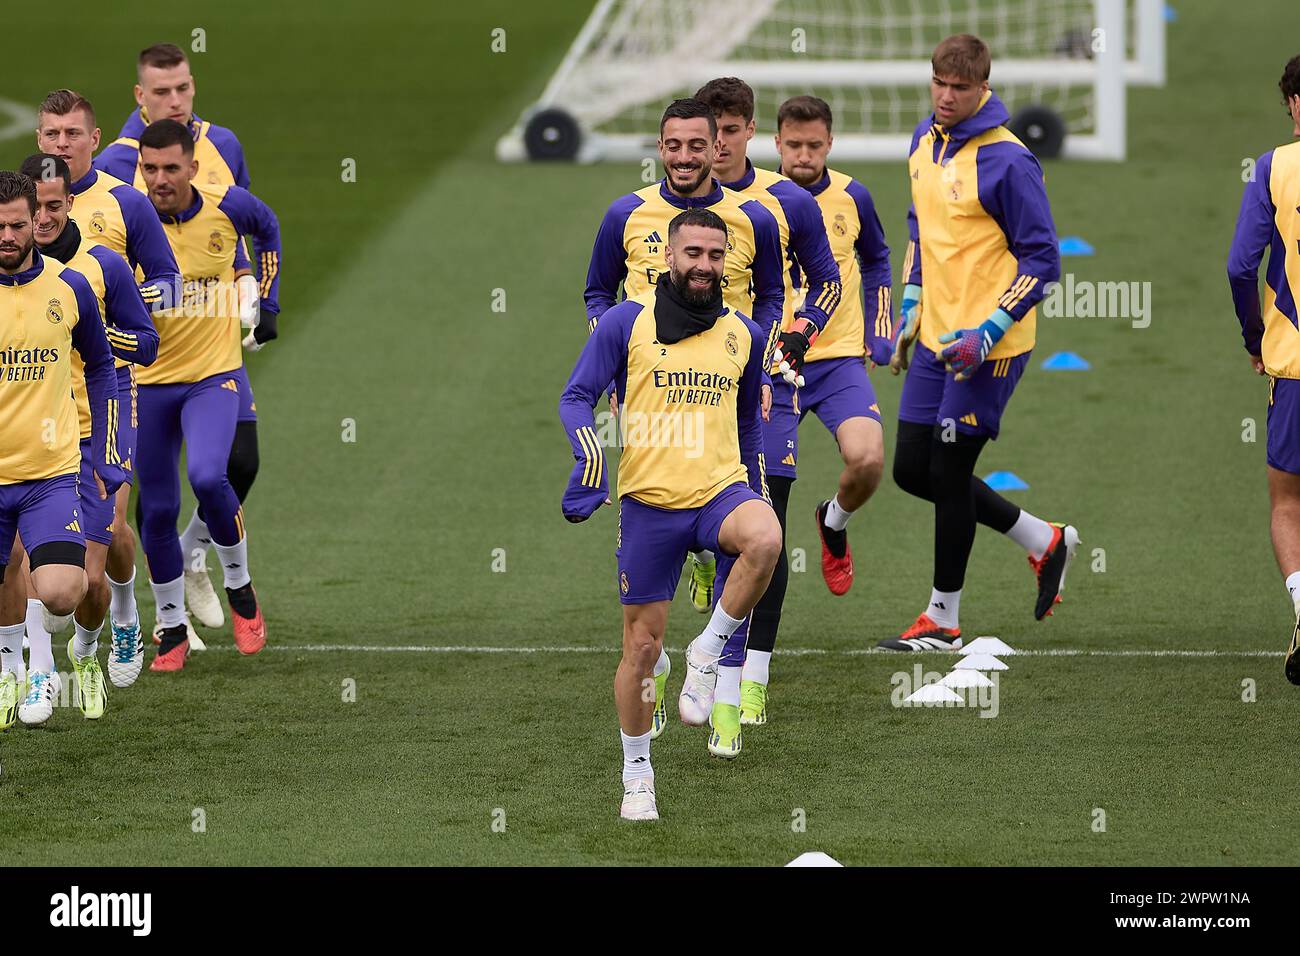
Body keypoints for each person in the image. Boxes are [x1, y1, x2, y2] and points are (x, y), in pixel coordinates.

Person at [560, 208, 781, 819]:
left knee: (765, 538)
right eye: (693, 255)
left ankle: (708, 652)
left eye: (715, 256)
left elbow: (746, 428)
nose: (704, 266)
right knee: (639, 649)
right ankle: (637, 773)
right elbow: (577, 396)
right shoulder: (624, 324)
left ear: (726, 262)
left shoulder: (744, 333)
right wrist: (589, 462)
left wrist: (754, 488)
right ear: (669, 257)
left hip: (718, 494)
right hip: (650, 505)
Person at [882, 34, 1076, 651]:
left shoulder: (1009, 161)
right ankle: (1043, 541)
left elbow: (1043, 258)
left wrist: (989, 329)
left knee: (948, 467)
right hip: (937, 338)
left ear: (983, 87)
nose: (945, 96)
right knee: (913, 469)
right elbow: (922, 226)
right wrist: (911, 307)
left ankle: (942, 618)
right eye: (938, 83)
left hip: (989, 348)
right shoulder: (922, 141)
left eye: (959, 88)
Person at [585, 97, 785, 620]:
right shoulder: (625, 213)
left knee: (739, 509)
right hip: (646, 389)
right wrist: (612, 359)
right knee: (653, 509)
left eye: (697, 145)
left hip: (723, 383)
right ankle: (658, 656)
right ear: (660, 148)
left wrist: (757, 364)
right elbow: (597, 293)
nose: (684, 157)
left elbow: (770, 295)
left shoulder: (753, 219)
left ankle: (721, 673)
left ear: (717, 147)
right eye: (673, 146)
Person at [96, 43, 260, 632]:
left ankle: (196, 556)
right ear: (140, 97)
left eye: (183, 88)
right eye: (162, 91)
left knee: (238, 465)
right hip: (153, 355)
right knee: (155, 495)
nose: (176, 100)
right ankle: (162, 606)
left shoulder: (225, 145)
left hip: (216, 337)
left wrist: (250, 286)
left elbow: (239, 223)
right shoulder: (117, 161)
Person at [7, 153, 157, 724]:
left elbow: (145, 346)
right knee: (24, 559)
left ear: (71, 205)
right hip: (33, 441)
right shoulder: (9, 275)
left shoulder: (100, 269)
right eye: (33, 210)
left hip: (99, 430)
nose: (42, 220)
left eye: (52, 207)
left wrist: (83, 328)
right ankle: (40, 675)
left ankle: (107, 631)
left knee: (97, 566)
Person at [36, 89, 181, 658]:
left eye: (73, 133)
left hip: (108, 393)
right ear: (39, 140)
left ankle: (118, 604)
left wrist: (111, 312)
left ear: (94, 140)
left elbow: (167, 280)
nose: (62, 143)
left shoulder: (127, 203)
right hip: (34, 399)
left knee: (108, 534)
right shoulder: (21, 216)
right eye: (52, 133)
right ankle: (35, 659)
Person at [134, 120, 279, 670]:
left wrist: (268, 300)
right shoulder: (128, 219)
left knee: (210, 476)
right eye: (150, 169)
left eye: (172, 168)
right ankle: (171, 625)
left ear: (194, 167)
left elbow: (268, 226)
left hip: (212, 375)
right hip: (148, 384)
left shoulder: (228, 206)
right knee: (160, 509)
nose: (160, 179)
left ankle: (239, 586)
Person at [1227, 53, 1300, 684]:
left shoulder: (1274, 167)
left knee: (1288, 502)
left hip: (1294, 365)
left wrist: (1257, 337)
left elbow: (1238, 267)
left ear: (1294, 104)